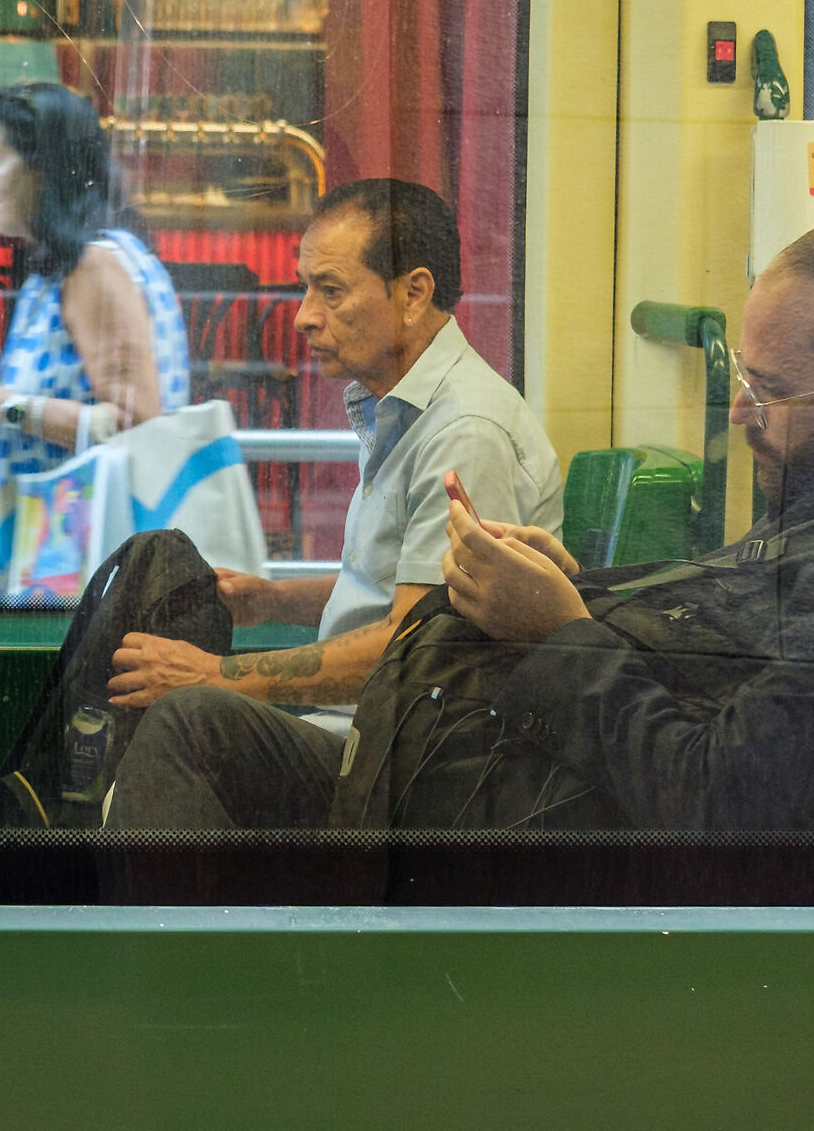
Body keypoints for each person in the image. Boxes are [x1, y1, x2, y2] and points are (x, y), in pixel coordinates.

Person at [408, 216, 814, 832]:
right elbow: (713, 668)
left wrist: (557, 635)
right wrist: (577, 591)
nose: (741, 411)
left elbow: (718, 794)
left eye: (769, 390)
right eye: (745, 376)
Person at [102, 178, 563, 829]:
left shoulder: (466, 433)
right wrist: (275, 601)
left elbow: (410, 651)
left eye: (331, 289)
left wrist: (219, 676)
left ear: (413, 293)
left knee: (192, 722)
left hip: (410, 763)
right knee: (156, 572)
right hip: (359, 732)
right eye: (305, 287)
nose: (303, 315)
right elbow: (407, 589)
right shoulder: (402, 410)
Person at [0, 81, 192, 581]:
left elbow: (136, 422)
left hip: (82, 570)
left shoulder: (93, 266)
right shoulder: (73, 264)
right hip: (62, 559)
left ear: (44, 167)